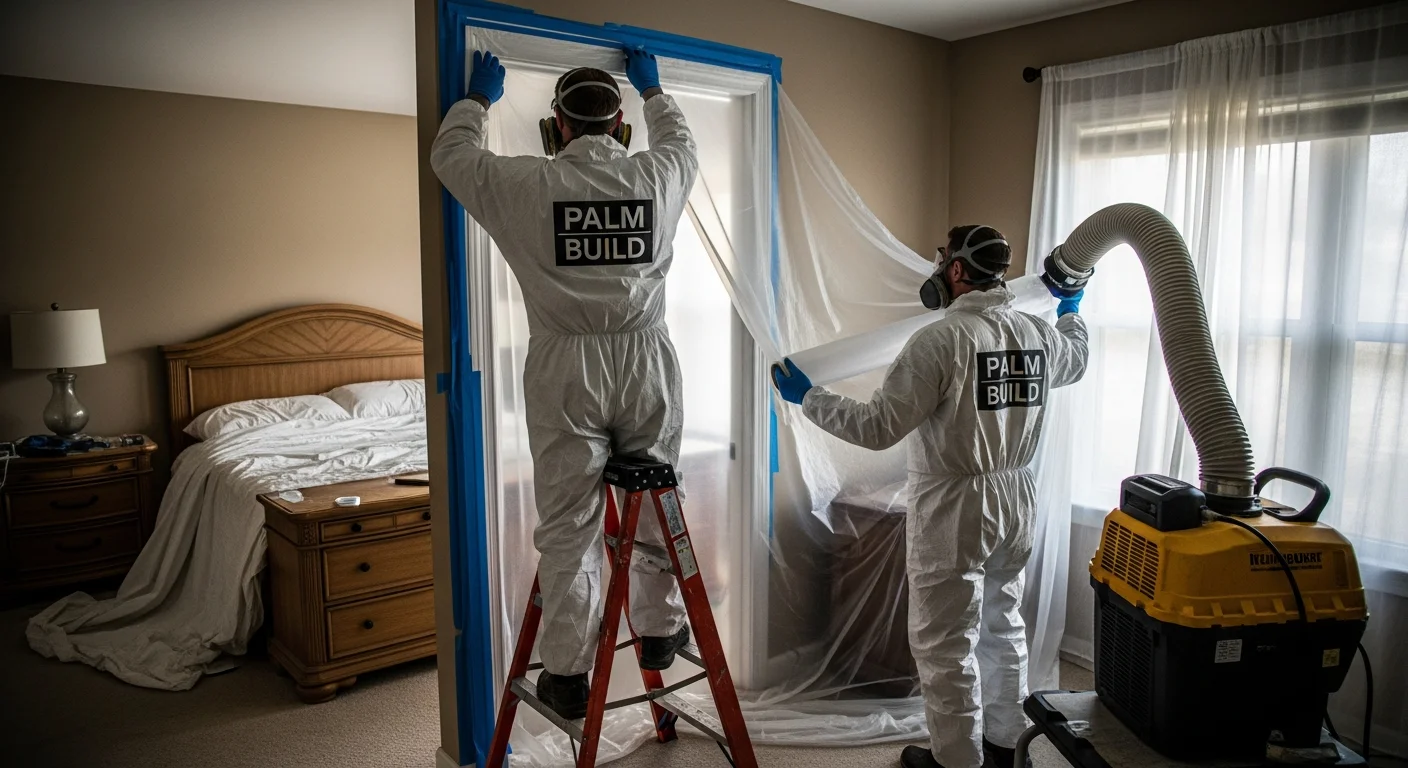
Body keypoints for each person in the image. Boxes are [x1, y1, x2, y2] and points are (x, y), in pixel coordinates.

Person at [431, 48, 698, 719]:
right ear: (620, 126)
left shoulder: (527, 186)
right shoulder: (657, 174)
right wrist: (654, 88)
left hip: (565, 369)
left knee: (568, 524)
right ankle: (661, 631)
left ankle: (571, 675)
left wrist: (476, 100)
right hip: (645, 360)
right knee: (657, 494)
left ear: (556, 127)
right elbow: (682, 141)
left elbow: (451, 157)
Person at [771, 226, 1089, 768]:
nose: (938, 269)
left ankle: (956, 760)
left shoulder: (942, 340)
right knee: (1002, 621)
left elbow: (877, 427)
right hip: (1017, 499)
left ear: (959, 271)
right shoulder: (1036, 334)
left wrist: (811, 398)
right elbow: (1077, 358)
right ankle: (1007, 744)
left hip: (956, 506)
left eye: (942, 260)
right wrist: (1070, 310)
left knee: (945, 642)